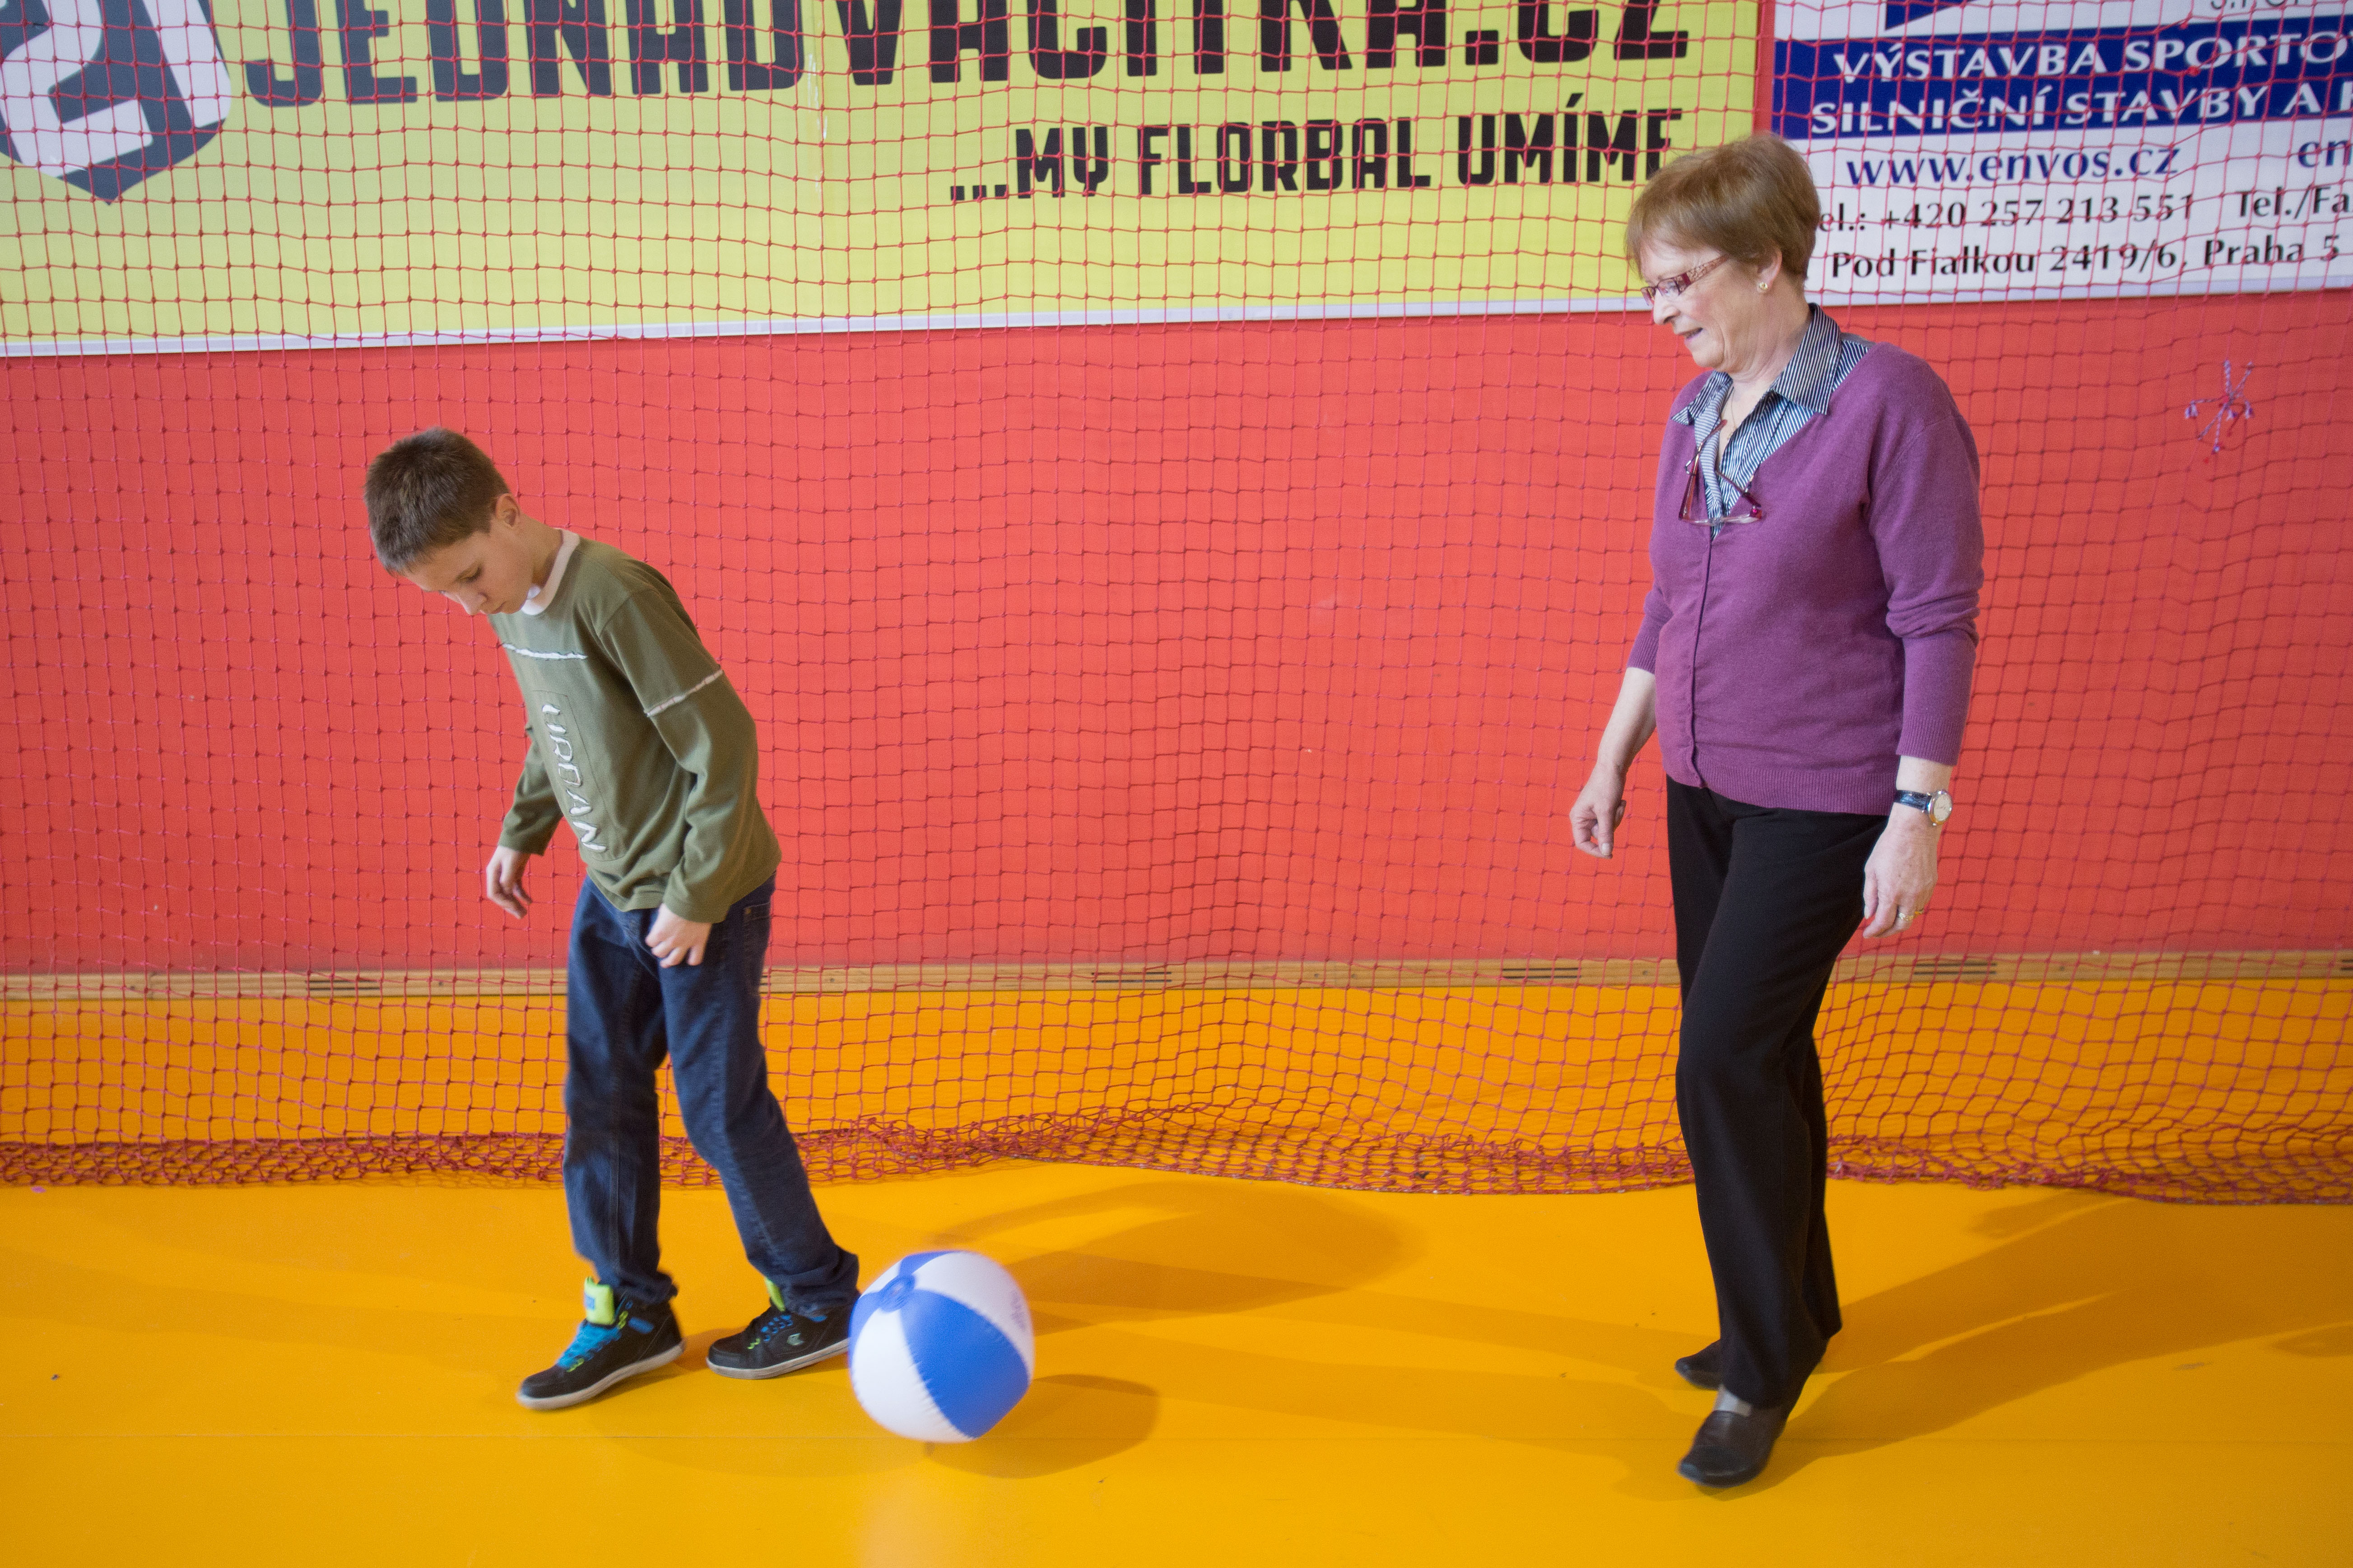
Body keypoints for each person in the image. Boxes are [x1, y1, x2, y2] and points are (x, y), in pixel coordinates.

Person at [1568, 135, 1985, 1488]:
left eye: (1680, 281)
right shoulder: (1695, 413)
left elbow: (1935, 618)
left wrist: (1915, 809)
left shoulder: (1889, 402)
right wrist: (1613, 758)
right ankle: (1798, 1307)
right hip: (1702, 788)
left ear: (1764, 263)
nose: (1661, 311)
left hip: (1823, 796)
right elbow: (1668, 601)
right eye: (1649, 287)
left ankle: (1761, 1369)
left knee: (1718, 1062)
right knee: (1764, 1053)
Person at [364, 428, 860, 1411]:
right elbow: (556, 731)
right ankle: (631, 1310)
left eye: (470, 577)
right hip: (612, 893)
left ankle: (817, 1296)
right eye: (448, 596)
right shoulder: (513, 604)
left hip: (698, 899)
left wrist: (695, 896)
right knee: (600, 1099)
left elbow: (724, 745)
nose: (471, 605)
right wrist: (522, 831)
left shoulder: (614, 595)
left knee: (718, 1109)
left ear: (506, 511)